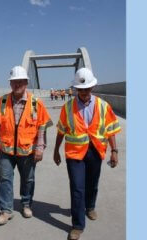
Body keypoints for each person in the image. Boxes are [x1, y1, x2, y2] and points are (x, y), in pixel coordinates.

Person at [53, 68, 121, 240]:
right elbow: (61, 131)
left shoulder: (103, 106)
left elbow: (110, 130)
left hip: (96, 151)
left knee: (92, 183)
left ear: (92, 87)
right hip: (75, 154)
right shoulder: (67, 107)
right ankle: (77, 225)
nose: (83, 92)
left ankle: (90, 207)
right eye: (80, 89)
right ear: (76, 89)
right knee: (77, 187)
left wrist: (114, 151)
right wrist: (55, 151)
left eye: (87, 89)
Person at [0, 66, 53, 226]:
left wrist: (40, 148)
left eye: (20, 81)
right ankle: (6, 210)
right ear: (10, 83)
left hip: (28, 151)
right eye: (14, 82)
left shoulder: (35, 103)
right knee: (5, 179)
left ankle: (26, 204)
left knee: (28, 179)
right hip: (6, 150)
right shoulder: (2, 101)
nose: (17, 84)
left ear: (26, 82)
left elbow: (42, 128)